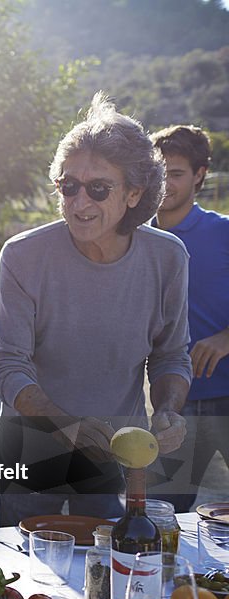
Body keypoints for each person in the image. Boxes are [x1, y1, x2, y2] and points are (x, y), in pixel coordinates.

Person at [0, 93, 192, 526]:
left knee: (103, 570)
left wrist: (170, 409)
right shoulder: (23, 255)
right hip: (31, 450)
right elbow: (9, 366)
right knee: (23, 573)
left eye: (98, 189)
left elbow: (171, 355)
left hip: (114, 450)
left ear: (135, 193)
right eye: (69, 186)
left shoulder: (168, 257)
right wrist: (69, 425)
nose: (79, 203)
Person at [147, 125, 229, 512]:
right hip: (169, 407)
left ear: (200, 175)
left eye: (175, 173)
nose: (164, 183)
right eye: (158, 172)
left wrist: (226, 337)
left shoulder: (223, 233)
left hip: (225, 395)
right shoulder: (133, 240)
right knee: (162, 517)